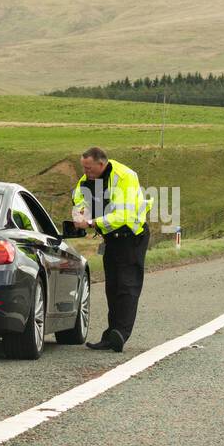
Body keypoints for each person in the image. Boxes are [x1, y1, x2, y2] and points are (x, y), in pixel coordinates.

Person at [72, 147, 153, 352]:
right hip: (112, 239)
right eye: (83, 167)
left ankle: (120, 334)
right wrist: (79, 213)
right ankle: (111, 334)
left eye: (88, 168)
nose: (85, 171)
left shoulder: (125, 176)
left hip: (132, 236)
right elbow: (79, 199)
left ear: (102, 164)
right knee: (112, 287)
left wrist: (90, 223)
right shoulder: (86, 180)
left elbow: (123, 215)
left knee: (127, 285)